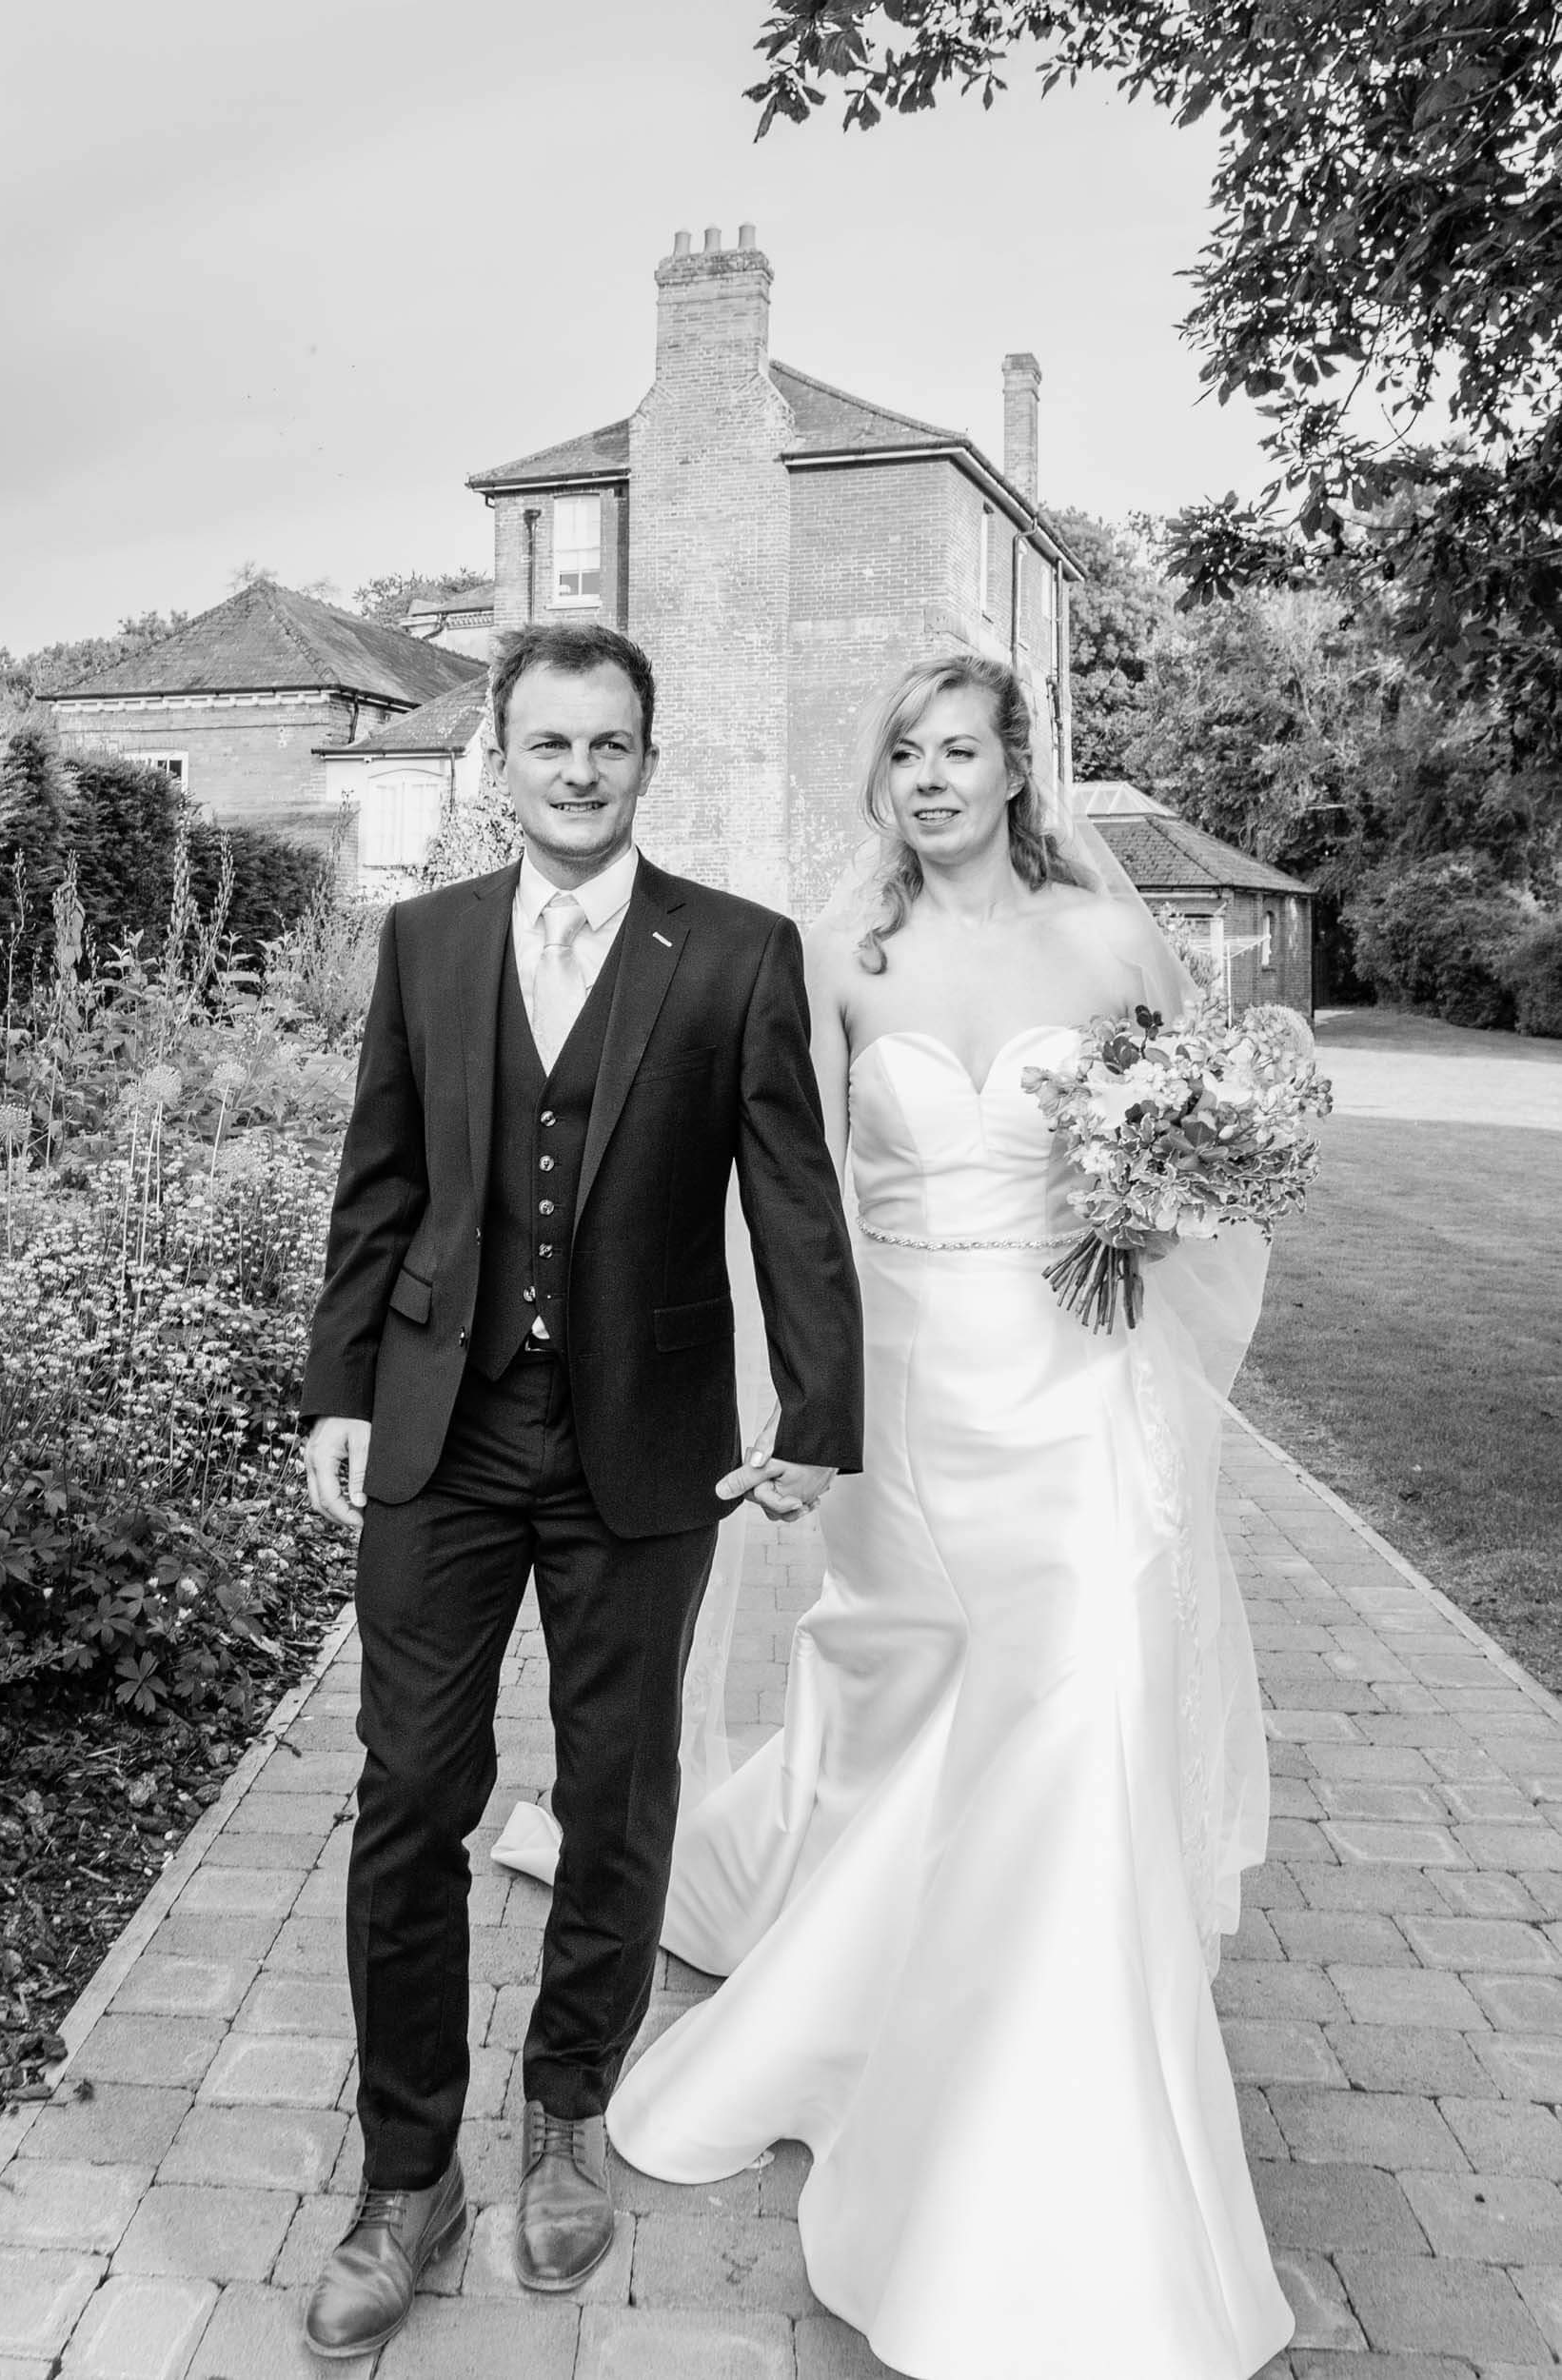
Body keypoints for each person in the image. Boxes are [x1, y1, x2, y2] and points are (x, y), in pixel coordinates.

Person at [603, 652, 1296, 2380]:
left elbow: (1194, 1154)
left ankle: (1054, 2113)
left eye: (958, 751)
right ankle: (869, 1985)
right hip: (908, 1385)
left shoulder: (1111, 945)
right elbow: (789, 1189)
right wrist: (788, 1402)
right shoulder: (839, 951)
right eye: (902, 753)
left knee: (1082, 1707)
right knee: (911, 1687)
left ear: (1015, 770)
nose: (927, 778)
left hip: (1078, 1385)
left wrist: (1167, 1184)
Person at [296, 620, 863, 2361]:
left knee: (618, 1792)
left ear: (645, 756)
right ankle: (407, 2174)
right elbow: (377, 1180)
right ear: (504, 754)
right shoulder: (428, 939)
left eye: (609, 744)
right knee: (412, 1791)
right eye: (549, 744)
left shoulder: (738, 954)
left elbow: (789, 1195)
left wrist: (821, 1409)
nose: (579, 771)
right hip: (440, 1433)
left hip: (647, 1438)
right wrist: (335, 1394)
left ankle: (559, 2126)